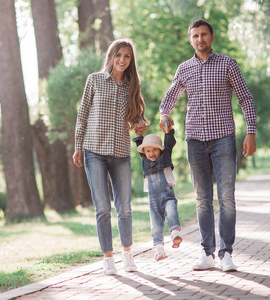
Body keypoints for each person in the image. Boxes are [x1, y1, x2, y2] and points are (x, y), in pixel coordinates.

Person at [159, 19, 257, 272]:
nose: (200, 39)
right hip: (194, 140)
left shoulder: (227, 64)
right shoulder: (184, 68)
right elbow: (169, 97)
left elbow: (245, 98)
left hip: (223, 137)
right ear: (190, 40)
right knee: (202, 199)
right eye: (195, 36)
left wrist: (251, 132)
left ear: (212, 37)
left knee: (226, 197)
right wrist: (163, 115)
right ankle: (207, 254)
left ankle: (226, 254)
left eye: (204, 35)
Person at [73, 39, 148, 275]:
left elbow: (137, 118)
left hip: (120, 152)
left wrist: (140, 126)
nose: (122, 60)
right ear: (111, 56)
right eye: (119, 55)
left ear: (131, 60)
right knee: (102, 207)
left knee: (124, 207)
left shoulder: (132, 86)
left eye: (127, 56)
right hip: (94, 150)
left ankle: (127, 254)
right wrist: (78, 146)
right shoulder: (94, 80)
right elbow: (83, 114)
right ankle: (108, 258)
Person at [133, 128, 182, 262]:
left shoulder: (165, 157)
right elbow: (140, 146)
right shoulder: (145, 161)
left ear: (161, 150)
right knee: (155, 224)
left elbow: (169, 143)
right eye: (148, 151)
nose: (151, 153)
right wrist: (139, 135)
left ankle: (175, 233)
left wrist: (168, 131)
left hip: (167, 195)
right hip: (153, 198)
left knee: (172, 211)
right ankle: (159, 249)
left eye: (154, 149)